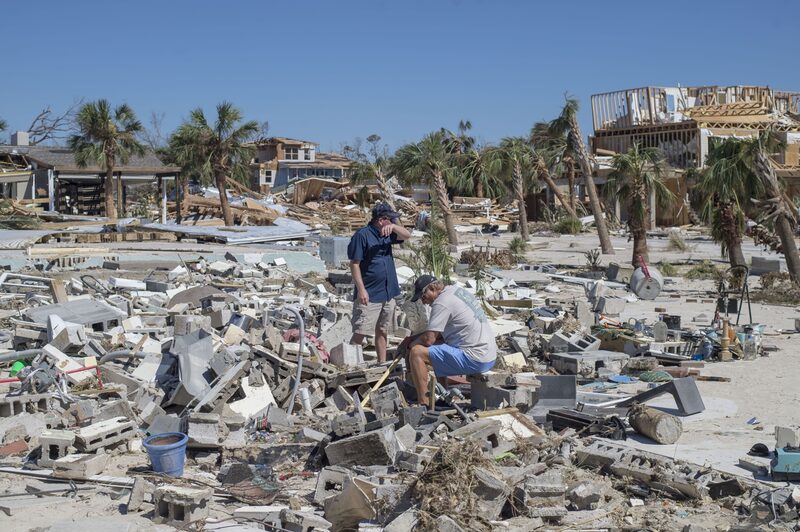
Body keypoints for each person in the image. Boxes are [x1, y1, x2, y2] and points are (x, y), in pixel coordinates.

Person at [402, 275, 497, 407]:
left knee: (417, 352)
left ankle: (424, 404)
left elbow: (429, 339)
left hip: (475, 358)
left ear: (432, 288)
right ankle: (443, 396)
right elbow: (437, 336)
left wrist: (409, 346)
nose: (424, 302)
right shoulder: (456, 291)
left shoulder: (441, 302)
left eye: (423, 297)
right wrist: (412, 339)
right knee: (437, 348)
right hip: (489, 355)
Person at [348, 203, 412, 363]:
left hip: (388, 292)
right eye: (391, 218)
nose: (394, 221)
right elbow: (354, 264)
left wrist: (395, 227)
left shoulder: (388, 233)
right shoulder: (362, 235)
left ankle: (381, 363)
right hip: (370, 293)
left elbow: (407, 235)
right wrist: (361, 289)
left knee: (383, 330)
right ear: (382, 219)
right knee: (360, 332)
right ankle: (350, 365)